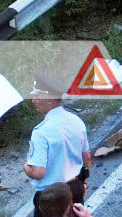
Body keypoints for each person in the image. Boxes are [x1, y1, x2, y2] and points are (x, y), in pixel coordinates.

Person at [24, 73, 91, 217]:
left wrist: (26, 166)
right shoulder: (76, 121)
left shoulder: (40, 132)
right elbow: (86, 157)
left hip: (53, 197)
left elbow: (38, 173)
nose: (33, 100)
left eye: (37, 97)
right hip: (75, 187)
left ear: (49, 100)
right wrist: (83, 182)